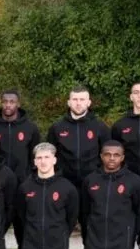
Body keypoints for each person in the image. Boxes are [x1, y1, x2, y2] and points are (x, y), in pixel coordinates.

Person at [46, 86, 110, 218]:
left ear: (89, 102)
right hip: (65, 182)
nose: (78, 103)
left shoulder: (100, 127)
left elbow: (108, 155)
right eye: (75, 99)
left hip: (93, 183)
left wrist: (99, 174)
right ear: (69, 102)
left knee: (90, 223)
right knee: (61, 221)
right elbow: (50, 155)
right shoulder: (57, 127)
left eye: (82, 99)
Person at [0, 90, 41, 248]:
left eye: (12, 102)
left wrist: (30, 180)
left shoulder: (30, 128)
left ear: (18, 104)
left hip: (22, 189)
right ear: (1, 103)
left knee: (24, 238)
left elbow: (35, 157)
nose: (8, 105)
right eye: (5, 102)